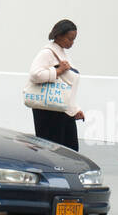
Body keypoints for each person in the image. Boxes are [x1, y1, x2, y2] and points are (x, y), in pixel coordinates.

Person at [26, 19, 85, 151]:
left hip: (60, 111)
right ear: (59, 35)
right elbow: (35, 75)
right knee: (55, 151)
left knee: (68, 150)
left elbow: (66, 86)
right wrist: (58, 71)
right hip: (50, 113)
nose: (72, 43)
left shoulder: (61, 53)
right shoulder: (47, 53)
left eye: (74, 39)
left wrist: (74, 109)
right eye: (69, 39)